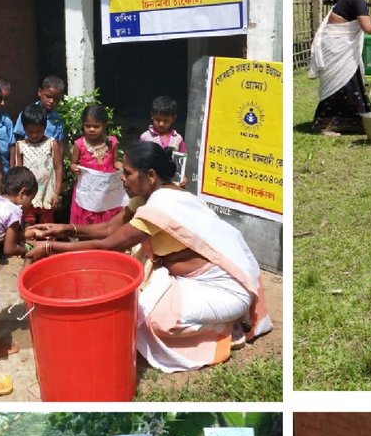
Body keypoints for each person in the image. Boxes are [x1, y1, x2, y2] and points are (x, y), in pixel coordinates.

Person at [25, 143, 272, 373]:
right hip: (191, 282)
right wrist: (66, 229)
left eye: (129, 173)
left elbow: (109, 244)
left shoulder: (160, 207)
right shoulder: (149, 197)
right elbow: (111, 228)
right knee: (139, 304)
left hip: (226, 292)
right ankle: (214, 321)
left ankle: (224, 330)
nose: (122, 177)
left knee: (155, 320)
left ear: (150, 176)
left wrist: (49, 247)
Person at [308, 0, 371, 134]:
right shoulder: (357, 0)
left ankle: (351, 123)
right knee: (339, 84)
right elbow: (367, 27)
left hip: (338, 46)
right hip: (337, 46)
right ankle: (324, 125)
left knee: (349, 82)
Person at [0, 167, 33, 364]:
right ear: (22, 193)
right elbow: (9, 248)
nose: (29, 205)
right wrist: (27, 251)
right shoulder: (14, 211)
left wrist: (31, 233)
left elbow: (2, 232)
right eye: (30, 199)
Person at [70, 104, 122, 228]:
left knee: (105, 219)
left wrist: (124, 168)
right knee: (86, 219)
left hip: (105, 190)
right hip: (87, 191)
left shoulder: (111, 142)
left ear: (104, 125)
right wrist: (74, 168)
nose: (91, 129)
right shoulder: (79, 144)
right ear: (83, 125)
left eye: (96, 126)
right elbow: (73, 163)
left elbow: (115, 161)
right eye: (88, 126)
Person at [10, 104, 62, 226]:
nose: (34, 135)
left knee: (47, 222)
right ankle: (29, 243)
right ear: (24, 129)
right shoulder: (20, 146)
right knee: (28, 221)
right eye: (30, 132)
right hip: (28, 193)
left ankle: (47, 244)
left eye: (38, 131)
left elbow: (58, 168)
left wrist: (57, 193)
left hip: (47, 192)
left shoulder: (52, 144)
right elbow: (19, 171)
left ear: (45, 127)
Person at [12, 75, 65, 141]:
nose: (51, 101)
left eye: (56, 99)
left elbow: (59, 142)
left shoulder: (58, 120)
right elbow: (19, 137)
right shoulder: (27, 113)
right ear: (40, 92)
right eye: (48, 97)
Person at [139, 94, 187, 161]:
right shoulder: (145, 137)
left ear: (173, 118)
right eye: (157, 120)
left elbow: (182, 160)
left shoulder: (177, 139)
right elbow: (139, 158)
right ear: (152, 115)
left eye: (166, 120)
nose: (161, 124)